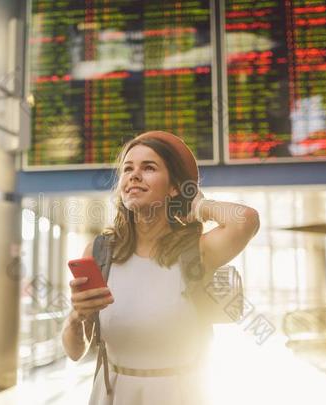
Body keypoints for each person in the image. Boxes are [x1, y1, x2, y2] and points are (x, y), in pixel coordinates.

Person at [61, 130, 260, 405]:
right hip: (113, 395)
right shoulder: (101, 253)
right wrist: (75, 318)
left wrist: (198, 204)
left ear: (173, 187)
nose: (134, 175)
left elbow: (246, 220)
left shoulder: (196, 251)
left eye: (149, 168)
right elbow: (75, 352)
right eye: (128, 169)